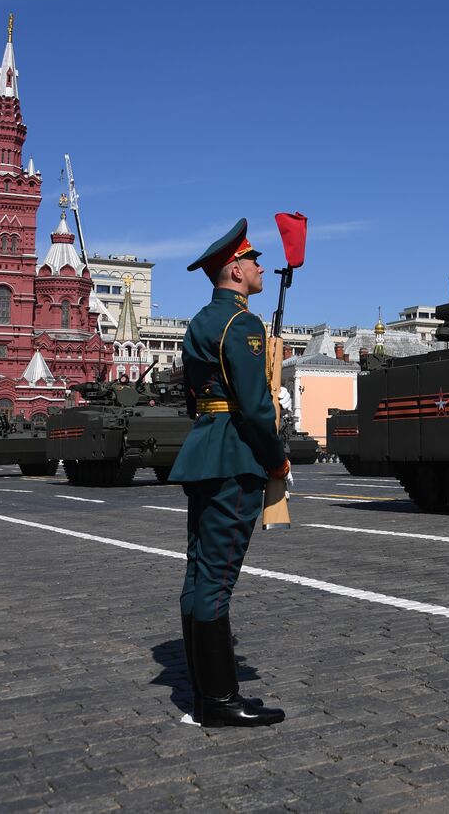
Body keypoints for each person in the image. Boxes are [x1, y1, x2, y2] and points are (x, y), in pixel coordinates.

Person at [171, 218, 287, 728]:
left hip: (204, 448)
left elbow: (198, 392)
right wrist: (277, 455)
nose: (262, 268)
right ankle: (218, 702)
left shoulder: (200, 321)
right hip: (234, 453)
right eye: (255, 260)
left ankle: (210, 693)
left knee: (199, 573)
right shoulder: (241, 324)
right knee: (216, 580)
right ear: (235, 269)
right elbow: (257, 406)